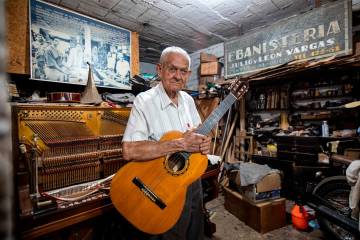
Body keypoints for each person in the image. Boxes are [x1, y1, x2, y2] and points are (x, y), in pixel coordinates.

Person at [122, 46, 211, 239]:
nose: (178, 76)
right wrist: (179, 144)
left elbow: (198, 135)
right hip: (162, 186)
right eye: (172, 69)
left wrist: (205, 142)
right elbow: (129, 151)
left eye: (183, 71)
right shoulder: (144, 101)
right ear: (159, 69)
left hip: (191, 180)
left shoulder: (188, 100)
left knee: (194, 232)